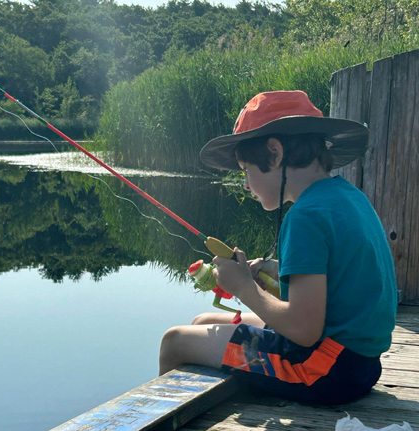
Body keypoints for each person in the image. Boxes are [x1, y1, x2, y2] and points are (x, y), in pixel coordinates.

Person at [159, 90, 397, 405]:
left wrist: (243, 286)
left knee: (174, 342)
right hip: (359, 365)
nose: (245, 184)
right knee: (203, 324)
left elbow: (303, 329)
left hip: (324, 370)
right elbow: (339, 282)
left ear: (274, 153)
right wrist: (275, 271)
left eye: (246, 170)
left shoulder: (304, 217)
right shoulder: (348, 197)